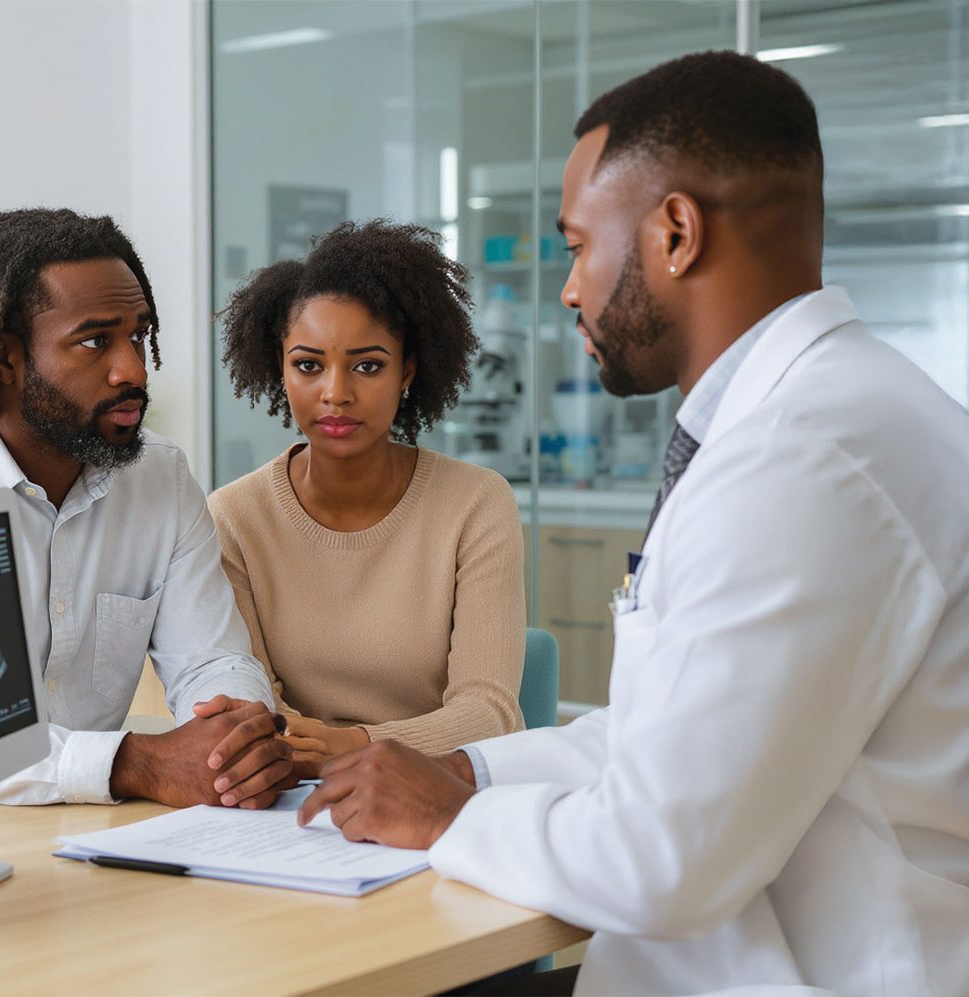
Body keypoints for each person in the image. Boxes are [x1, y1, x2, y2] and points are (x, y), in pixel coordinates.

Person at [298, 52, 969, 995]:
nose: (570, 288)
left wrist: (445, 820)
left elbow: (664, 860)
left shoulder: (802, 459)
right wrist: (465, 772)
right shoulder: (831, 416)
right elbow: (664, 735)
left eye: (578, 244)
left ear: (676, 233)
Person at [0, 208, 292, 811]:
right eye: (95, 341)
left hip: (80, 845)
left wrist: (238, 741)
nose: (133, 370)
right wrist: (133, 763)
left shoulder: (159, 480)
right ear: (3, 358)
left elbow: (213, 658)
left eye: (138, 336)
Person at [209, 220, 525, 777]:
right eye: (308, 365)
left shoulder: (476, 503)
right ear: (278, 368)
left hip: (433, 793)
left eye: (368, 365)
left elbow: (492, 715)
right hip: (286, 803)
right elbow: (255, 716)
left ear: (408, 371)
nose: (336, 392)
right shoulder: (234, 518)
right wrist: (321, 753)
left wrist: (355, 745)